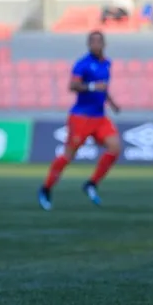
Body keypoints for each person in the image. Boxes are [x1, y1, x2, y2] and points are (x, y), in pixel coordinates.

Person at [38, 30, 121, 211]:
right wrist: (92, 86)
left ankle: (91, 183)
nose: (96, 45)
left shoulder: (107, 64)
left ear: (104, 44)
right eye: (93, 42)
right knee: (69, 155)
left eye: (99, 41)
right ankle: (46, 188)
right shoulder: (82, 65)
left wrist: (112, 103)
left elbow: (104, 89)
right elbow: (72, 86)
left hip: (100, 117)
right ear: (88, 45)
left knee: (115, 147)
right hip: (81, 117)